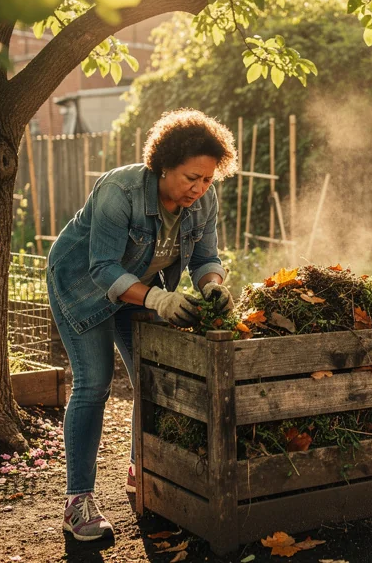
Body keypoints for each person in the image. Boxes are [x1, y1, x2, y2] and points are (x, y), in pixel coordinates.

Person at [46, 109, 237, 541]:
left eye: (208, 179)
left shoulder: (204, 201)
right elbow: (103, 269)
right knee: (94, 384)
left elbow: (207, 258)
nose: (199, 188)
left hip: (141, 289)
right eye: (192, 177)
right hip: (82, 286)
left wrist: (212, 286)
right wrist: (158, 299)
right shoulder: (122, 191)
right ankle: (78, 502)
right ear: (163, 163)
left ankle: (144, 471)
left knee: (152, 381)